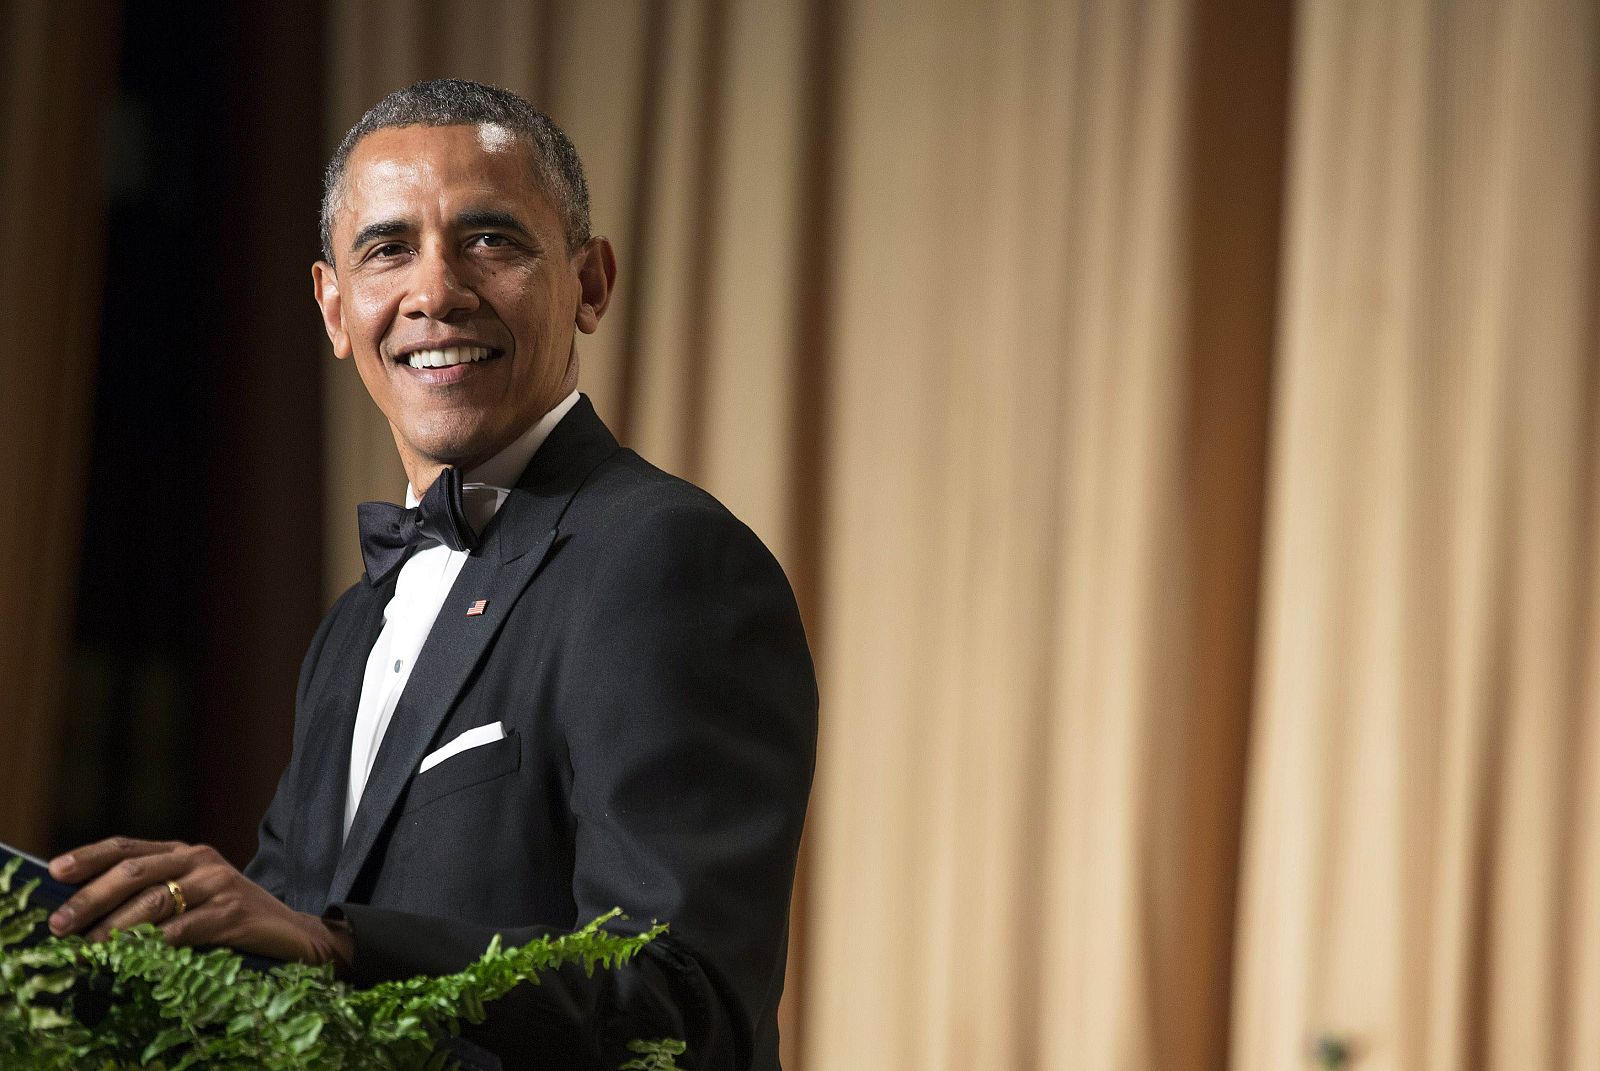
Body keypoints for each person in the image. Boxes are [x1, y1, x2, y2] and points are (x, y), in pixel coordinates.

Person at [43, 78, 817, 1071]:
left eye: (492, 241)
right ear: (333, 306)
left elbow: (688, 1005)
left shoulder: (665, 560)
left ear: (589, 284)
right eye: (387, 248)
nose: (435, 290)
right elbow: (272, 978)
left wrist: (340, 949)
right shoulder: (348, 632)